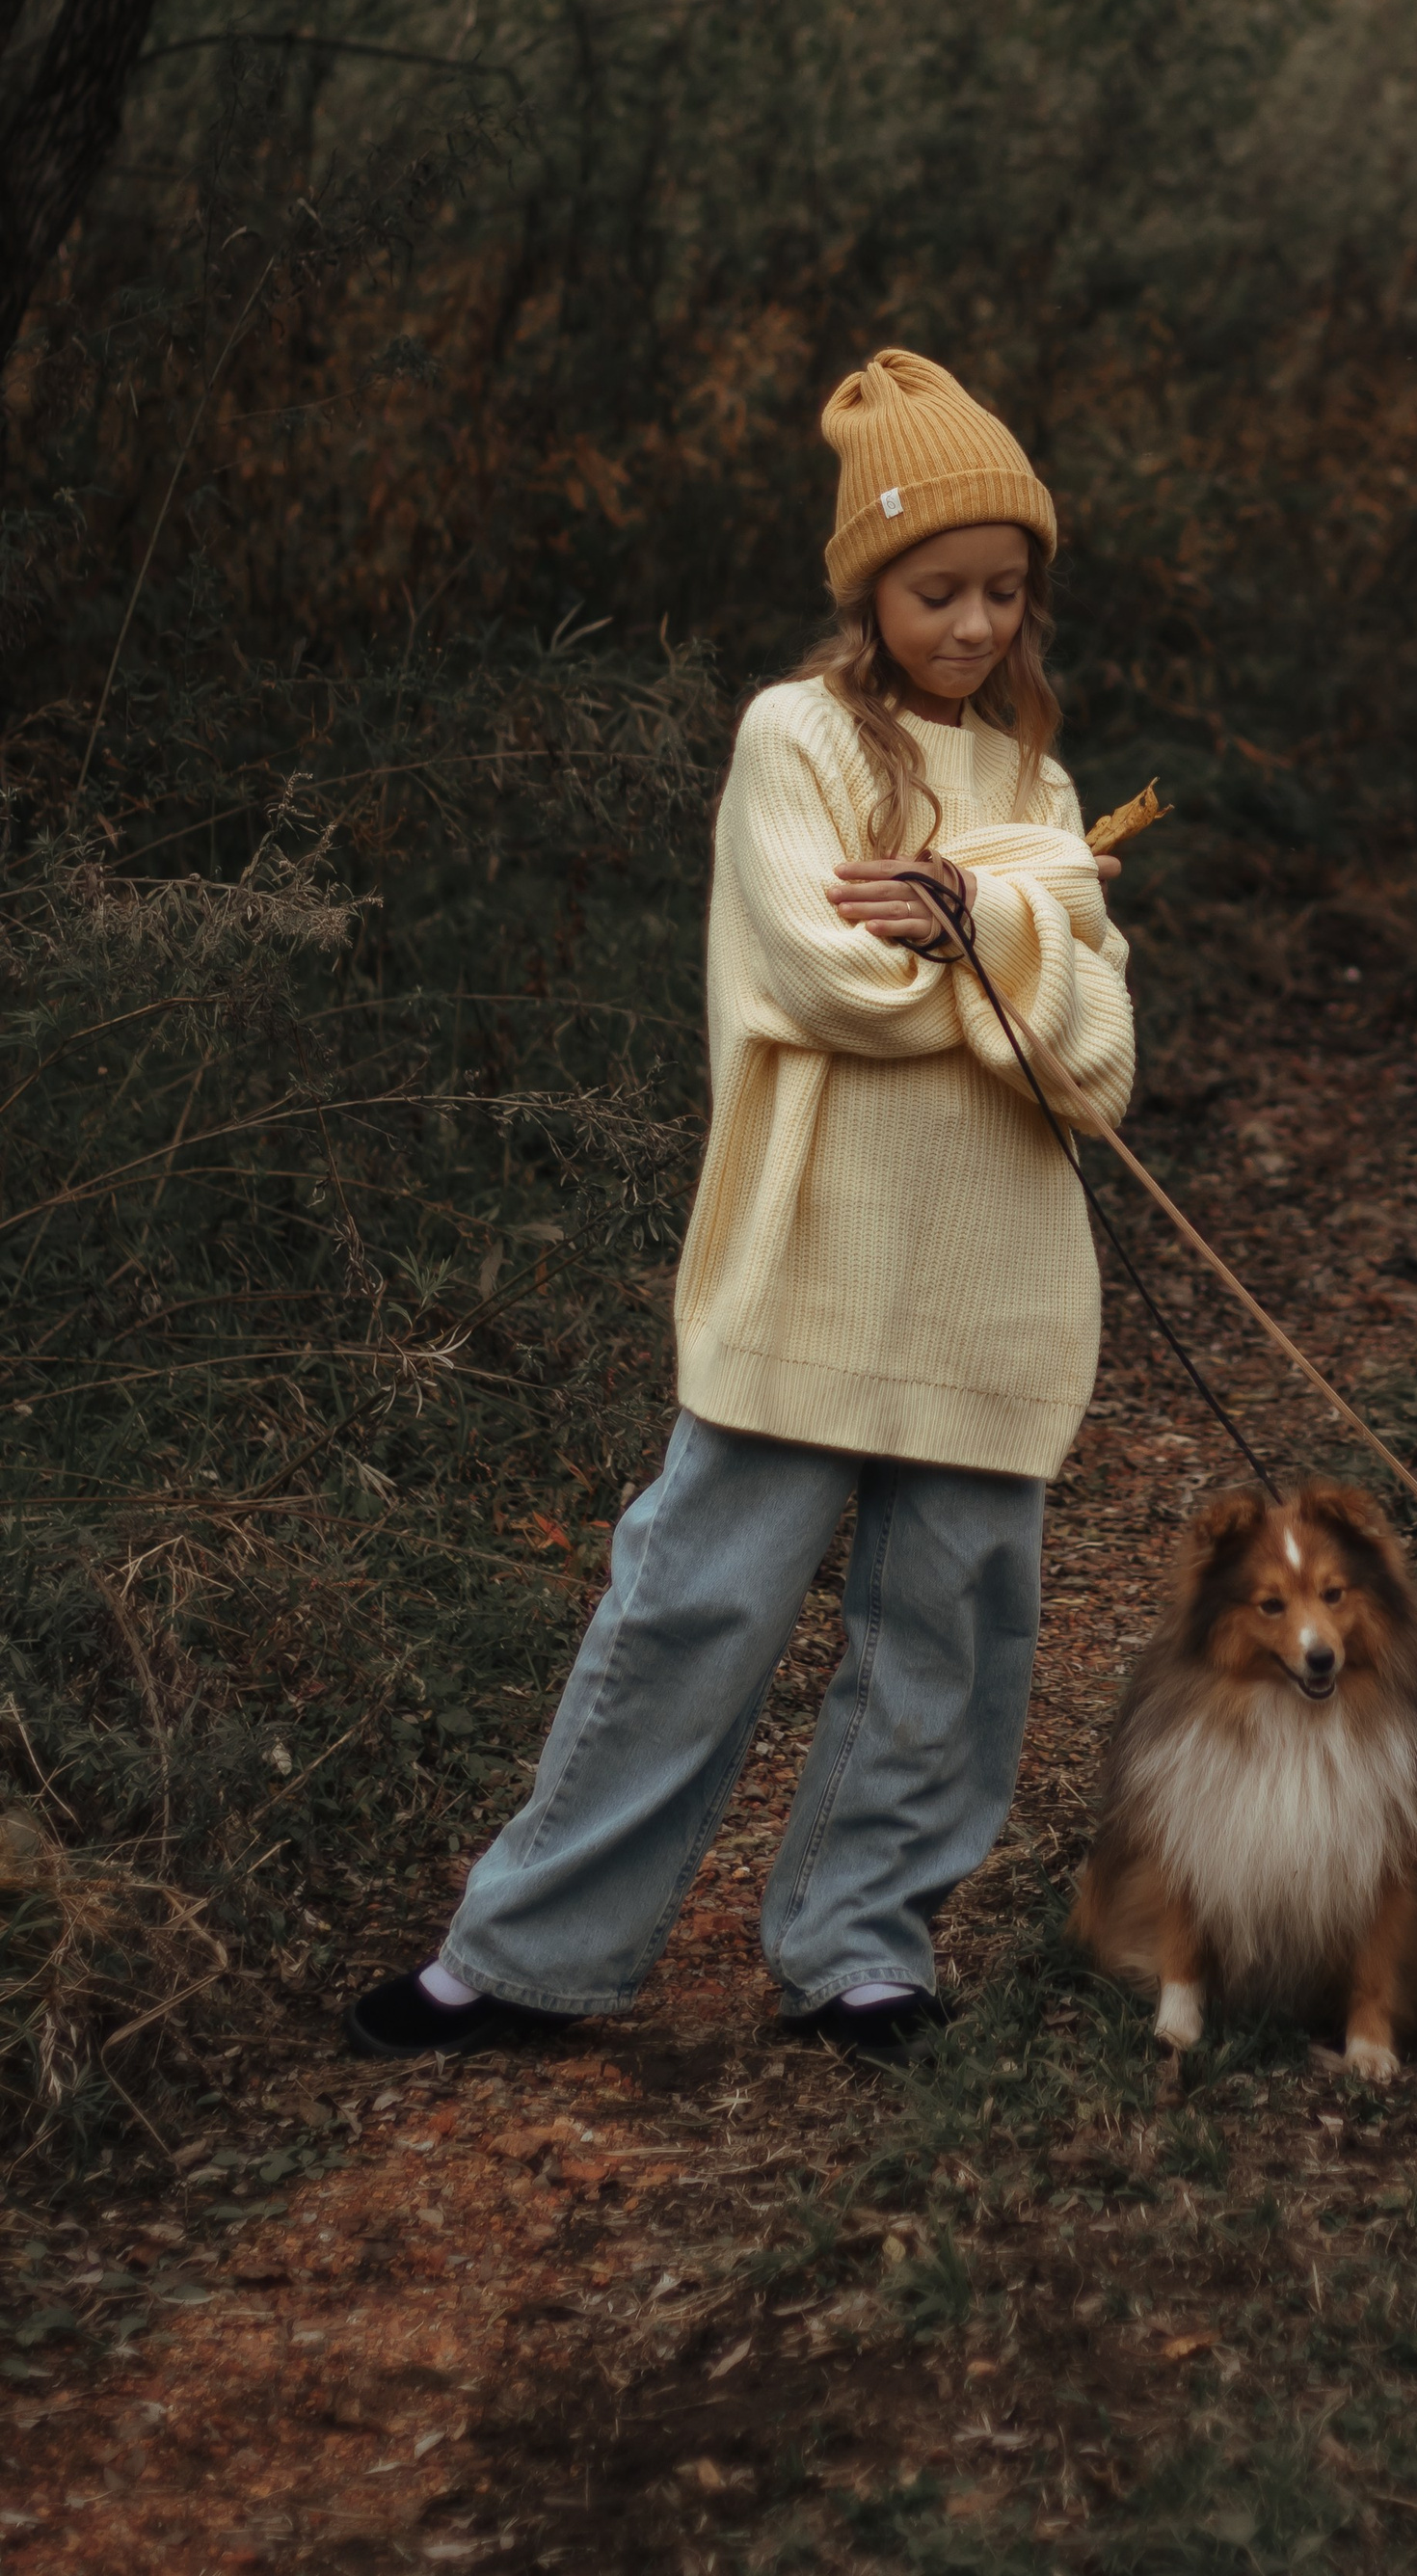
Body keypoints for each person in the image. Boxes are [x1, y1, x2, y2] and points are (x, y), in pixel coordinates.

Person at [345, 349, 1136, 2066]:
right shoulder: (797, 738)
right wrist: (1012, 946)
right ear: (871, 584)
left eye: (1008, 593)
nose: (977, 626)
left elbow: (1094, 1069)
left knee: (948, 1639)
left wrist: (977, 918)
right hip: (813, 1267)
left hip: (997, 1284)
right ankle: (529, 1954)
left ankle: (862, 1950)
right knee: (693, 1602)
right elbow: (828, 978)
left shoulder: (1042, 791)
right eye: (940, 591)